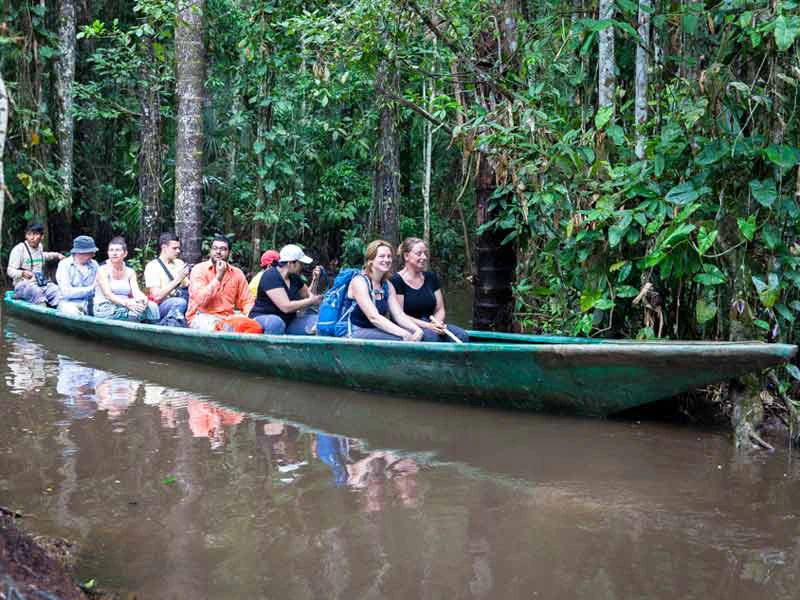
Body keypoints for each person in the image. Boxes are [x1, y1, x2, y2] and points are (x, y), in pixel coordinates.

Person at [390, 237, 469, 343]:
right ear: (406, 256)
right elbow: (399, 316)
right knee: (432, 338)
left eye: (425, 253)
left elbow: (440, 309)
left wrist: (438, 323)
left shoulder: (431, 277)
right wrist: (428, 326)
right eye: (419, 254)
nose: (424, 257)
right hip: (410, 327)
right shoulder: (396, 280)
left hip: (431, 324)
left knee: (462, 335)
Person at [345, 239, 423, 341]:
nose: (386, 260)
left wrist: (417, 330)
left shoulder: (387, 285)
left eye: (389, 256)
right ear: (370, 260)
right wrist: (404, 334)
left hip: (372, 330)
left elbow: (399, 315)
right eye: (382, 256)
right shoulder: (359, 282)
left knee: (416, 334)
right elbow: (374, 318)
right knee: (400, 337)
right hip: (353, 330)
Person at [186, 234, 261, 332]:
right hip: (201, 316)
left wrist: (250, 317)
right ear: (210, 251)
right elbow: (200, 300)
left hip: (228, 318)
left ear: (229, 252)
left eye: (223, 249)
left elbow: (247, 301)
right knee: (223, 329)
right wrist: (218, 277)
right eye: (215, 248)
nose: (218, 252)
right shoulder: (199, 269)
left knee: (256, 328)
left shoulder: (237, 273)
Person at [249, 244, 322, 335]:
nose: (302, 266)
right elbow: (286, 307)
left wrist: (315, 279)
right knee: (276, 323)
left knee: (318, 322)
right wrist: (311, 301)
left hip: (288, 322)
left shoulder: (294, 278)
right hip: (264, 319)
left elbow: (309, 295)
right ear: (291, 263)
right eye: (300, 263)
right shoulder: (271, 276)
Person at [93, 237, 160, 323]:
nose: (114, 253)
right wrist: (127, 303)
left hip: (126, 305)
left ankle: (154, 332)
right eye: (111, 250)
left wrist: (143, 299)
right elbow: (107, 295)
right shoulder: (102, 270)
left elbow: (136, 291)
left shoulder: (130, 272)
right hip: (105, 306)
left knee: (152, 306)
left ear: (125, 254)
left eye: (117, 250)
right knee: (134, 313)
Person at [6, 222, 64, 307]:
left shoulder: (39, 247)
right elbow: (9, 270)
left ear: (42, 237)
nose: (32, 238)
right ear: (26, 236)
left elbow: (42, 256)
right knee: (37, 292)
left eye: (36, 234)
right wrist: (22, 273)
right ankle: (43, 312)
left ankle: (61, 310)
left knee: (56, 290)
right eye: (29, 234)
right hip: (23, 285)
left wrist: (57, 255)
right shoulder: (19, 249)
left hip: (39, 283)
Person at [144, 232, 190, 319]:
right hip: (162, 305)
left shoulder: (179, 263)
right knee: (179, 302)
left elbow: (187, 286)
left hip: (182, 298)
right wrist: (177, 279)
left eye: (179, 248)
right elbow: (156, 297)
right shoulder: (153, 266)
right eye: (174, 248)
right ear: (164, 248)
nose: (178, 251)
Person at [56, 235, 100, 316]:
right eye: (90, 252)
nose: (94, 255)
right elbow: (67, 292)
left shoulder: (94, 264)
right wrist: (91, 289)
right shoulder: (64, 265)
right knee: (72, 312)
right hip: (69, 303)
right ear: (80, 253)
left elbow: (99, 287)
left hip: (90, 303)